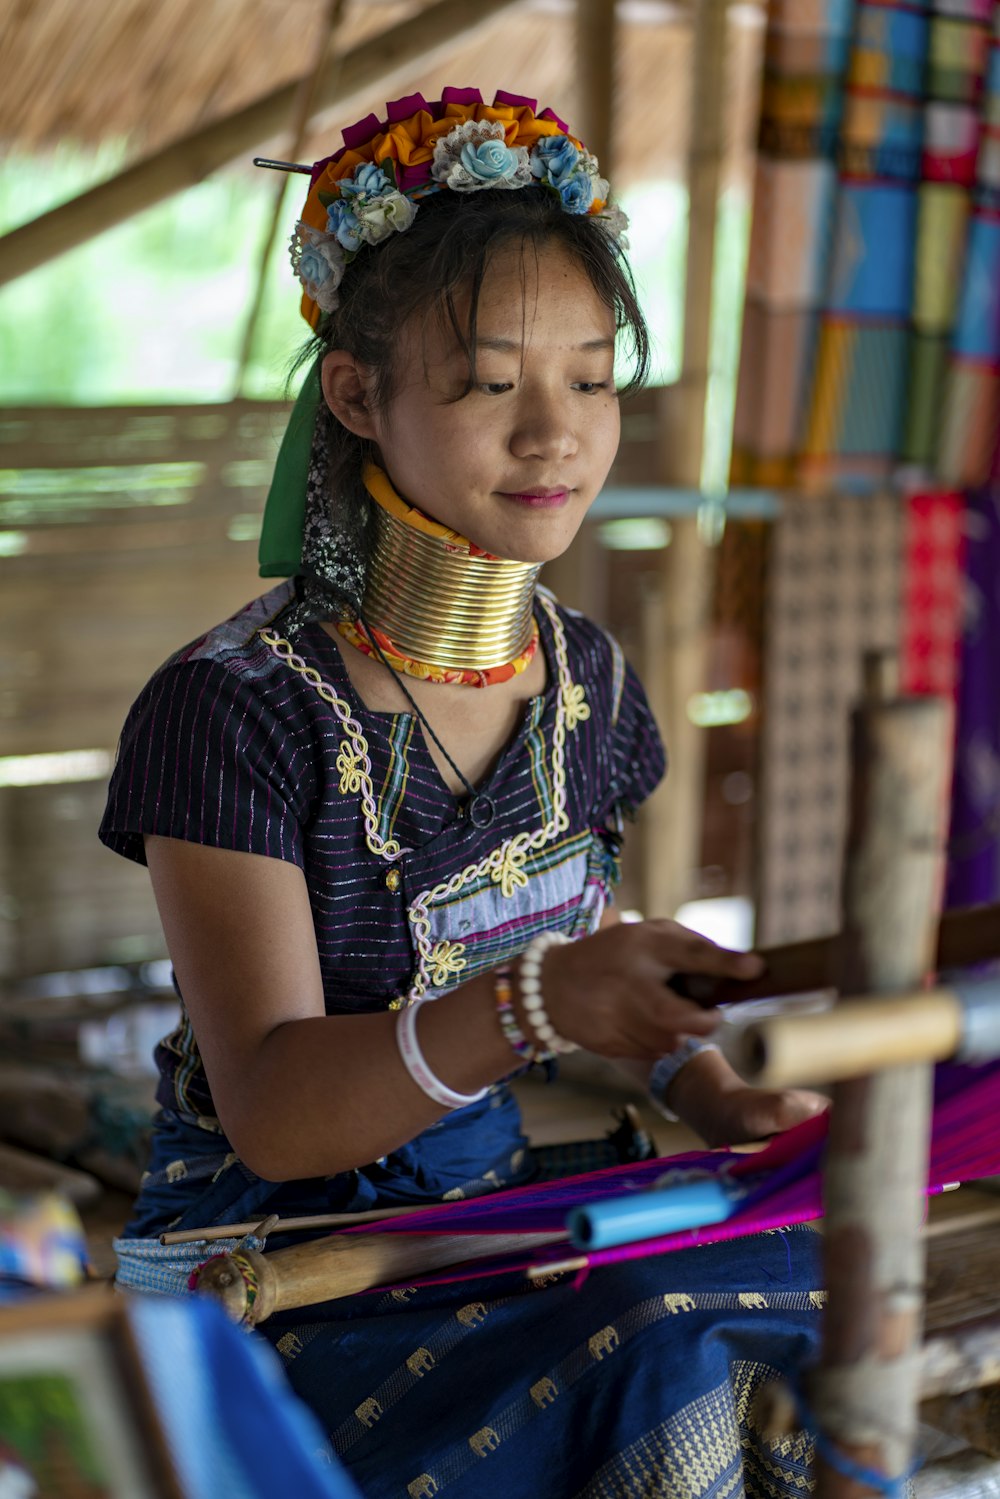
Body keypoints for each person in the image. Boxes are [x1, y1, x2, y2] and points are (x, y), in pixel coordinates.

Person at [101, 88, 825, 1499]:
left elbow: (596, 940)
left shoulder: (589, 681)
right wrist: (540, 1008)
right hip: (276, 1285)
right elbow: (275, 1111)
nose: (557, 433)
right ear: (360, 394)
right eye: (495, 383)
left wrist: (716, 1087)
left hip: (497, 1230)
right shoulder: (234, 712)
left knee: (824, 1266)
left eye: (596, 376)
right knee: (654, 1342)